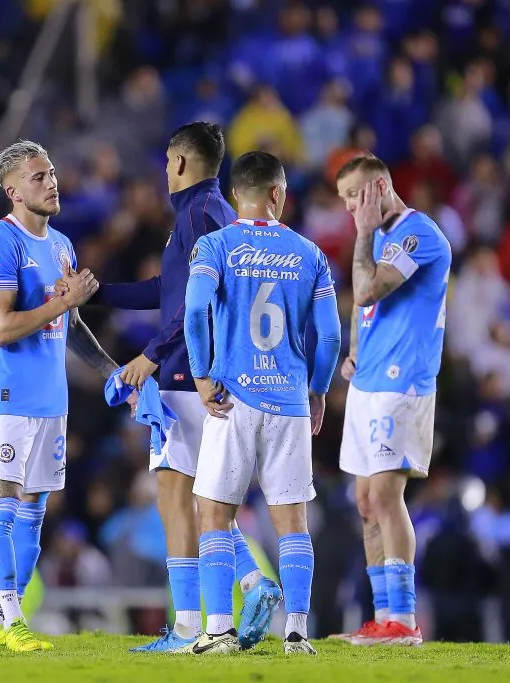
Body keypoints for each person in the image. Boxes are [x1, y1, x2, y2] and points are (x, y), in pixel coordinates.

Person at [87, 122, 277, 652]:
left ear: (179, 163)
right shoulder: (206, 214)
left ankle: (200, 619)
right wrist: (100, 292)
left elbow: (200, 306)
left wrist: (152, 356)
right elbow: (169, 291)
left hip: (186, 372)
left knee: (178, 495)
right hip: (196, 370)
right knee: (193, 492)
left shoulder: (198, 215)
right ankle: (246, 586)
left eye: (167, 161)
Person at [184, 151, 340, 656]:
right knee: (291, 520)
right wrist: (316, 390)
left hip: (233, 398)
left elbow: (194, 310)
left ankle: (220, 631)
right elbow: (332, 337)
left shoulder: (214, 245)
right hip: (289, 401)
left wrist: (203, 375)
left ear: (235, 195)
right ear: (278, 193)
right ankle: (296, 632)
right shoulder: (310, 254)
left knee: (213, 512)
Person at [0, 139, 119, 652]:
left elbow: (72, 324)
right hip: (8, 394)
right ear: (11, 190)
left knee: (36, 510)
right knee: (3, 498)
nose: (51, 182)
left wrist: (108, 369)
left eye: (52, 173)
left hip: (51, 398)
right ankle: (11, 618)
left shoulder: (60, 246)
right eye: (38, 177)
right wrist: (63, 303)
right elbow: (1, 328)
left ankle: (6, 617)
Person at [332, 153, 451, 647]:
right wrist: (356, 352)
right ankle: (383, 618)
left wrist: (361, 233)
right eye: (343, 202)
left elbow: (368, 291)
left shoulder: (416, 234)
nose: (350, 209)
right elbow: (368, 312)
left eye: (355, 196)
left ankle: (403, 621)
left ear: (380, 187)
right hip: (369, 382)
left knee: (385, 495)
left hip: (403, 383)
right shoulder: (379, 237)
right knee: (364, 503)